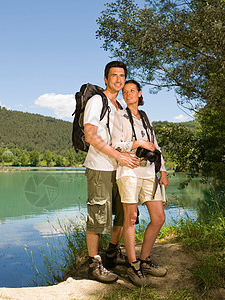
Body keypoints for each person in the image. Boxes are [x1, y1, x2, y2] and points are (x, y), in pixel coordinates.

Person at [83, 61, 140, 283]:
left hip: (120, 169)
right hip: (100, 167)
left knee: (123, 214)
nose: (118, 79)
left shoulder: (120, 108)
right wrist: (118, 156)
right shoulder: (97, 101)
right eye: (114, 75)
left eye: (122, 76)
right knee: (97, 216)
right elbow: (90, 135)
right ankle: (94, 264)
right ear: (105, 79)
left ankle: (111, 255)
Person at [111, 79, 169, 286]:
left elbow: (155, 145)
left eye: (132, 91)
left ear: (139, 93)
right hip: (129, 171)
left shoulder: (145, 116)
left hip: (148, 171)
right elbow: (115, 145)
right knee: (131, 217)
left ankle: (144, 260)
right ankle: (133, 266)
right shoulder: (118, 115)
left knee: (159, 217)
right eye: (125, 92)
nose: (128, 94)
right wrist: (136, 143)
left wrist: (162, 170)